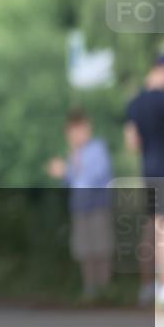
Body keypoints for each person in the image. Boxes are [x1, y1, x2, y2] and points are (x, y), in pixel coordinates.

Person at [124, 54, 164, 307]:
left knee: (152, 227)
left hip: (148, 169)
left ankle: (148, 286)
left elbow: (132, 143)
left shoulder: (134, 103)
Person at [46, 110, 114, 300]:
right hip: (79, 207)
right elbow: (71, 181)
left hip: (98, 206)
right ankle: (90, 288)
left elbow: (97, 176)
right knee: (84, 249)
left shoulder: (97, 149)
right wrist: (64, 172)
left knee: (101, 247)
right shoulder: (73, 154)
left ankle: (104, 289)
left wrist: (70, 168)